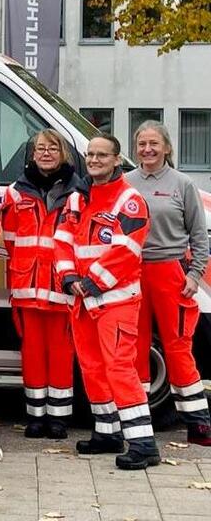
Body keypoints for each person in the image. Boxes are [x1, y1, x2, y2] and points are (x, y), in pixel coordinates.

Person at [54, 133, 160, 469]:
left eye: (103, 155)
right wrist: (69, 277)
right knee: (93, 369)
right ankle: (107, 432)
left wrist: (91, 282)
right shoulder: (77, 198)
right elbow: (62, 240)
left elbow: (126, 251)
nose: (95, 160)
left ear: (117, 160)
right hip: (83, 300)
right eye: (91, 155)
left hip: (115, 300)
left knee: (119, 369)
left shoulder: (129, 200)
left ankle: (143, 444)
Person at [126, 121, 211, 446]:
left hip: (169, 271)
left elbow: (198, 234)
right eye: (142, 144)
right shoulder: (126, 182)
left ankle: (199, 424)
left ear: (166, 148)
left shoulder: (182, 184)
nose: (147, 150)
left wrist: (194, 274)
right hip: (133, 272)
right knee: (135, 348)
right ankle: (138, 419)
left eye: (153, 144)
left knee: (178, 347)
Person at [1, 130, 82, 440]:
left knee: (62, 354)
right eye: (40, 148)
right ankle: (35, 416)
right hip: (26, 288)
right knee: (32, 355)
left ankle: (58, 418)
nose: (46, 153)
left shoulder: (78, 194)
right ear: (32, 154)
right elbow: (9, 238)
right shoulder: (15, 193)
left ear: (63, 154)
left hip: (61, 287)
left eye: (53, 148)